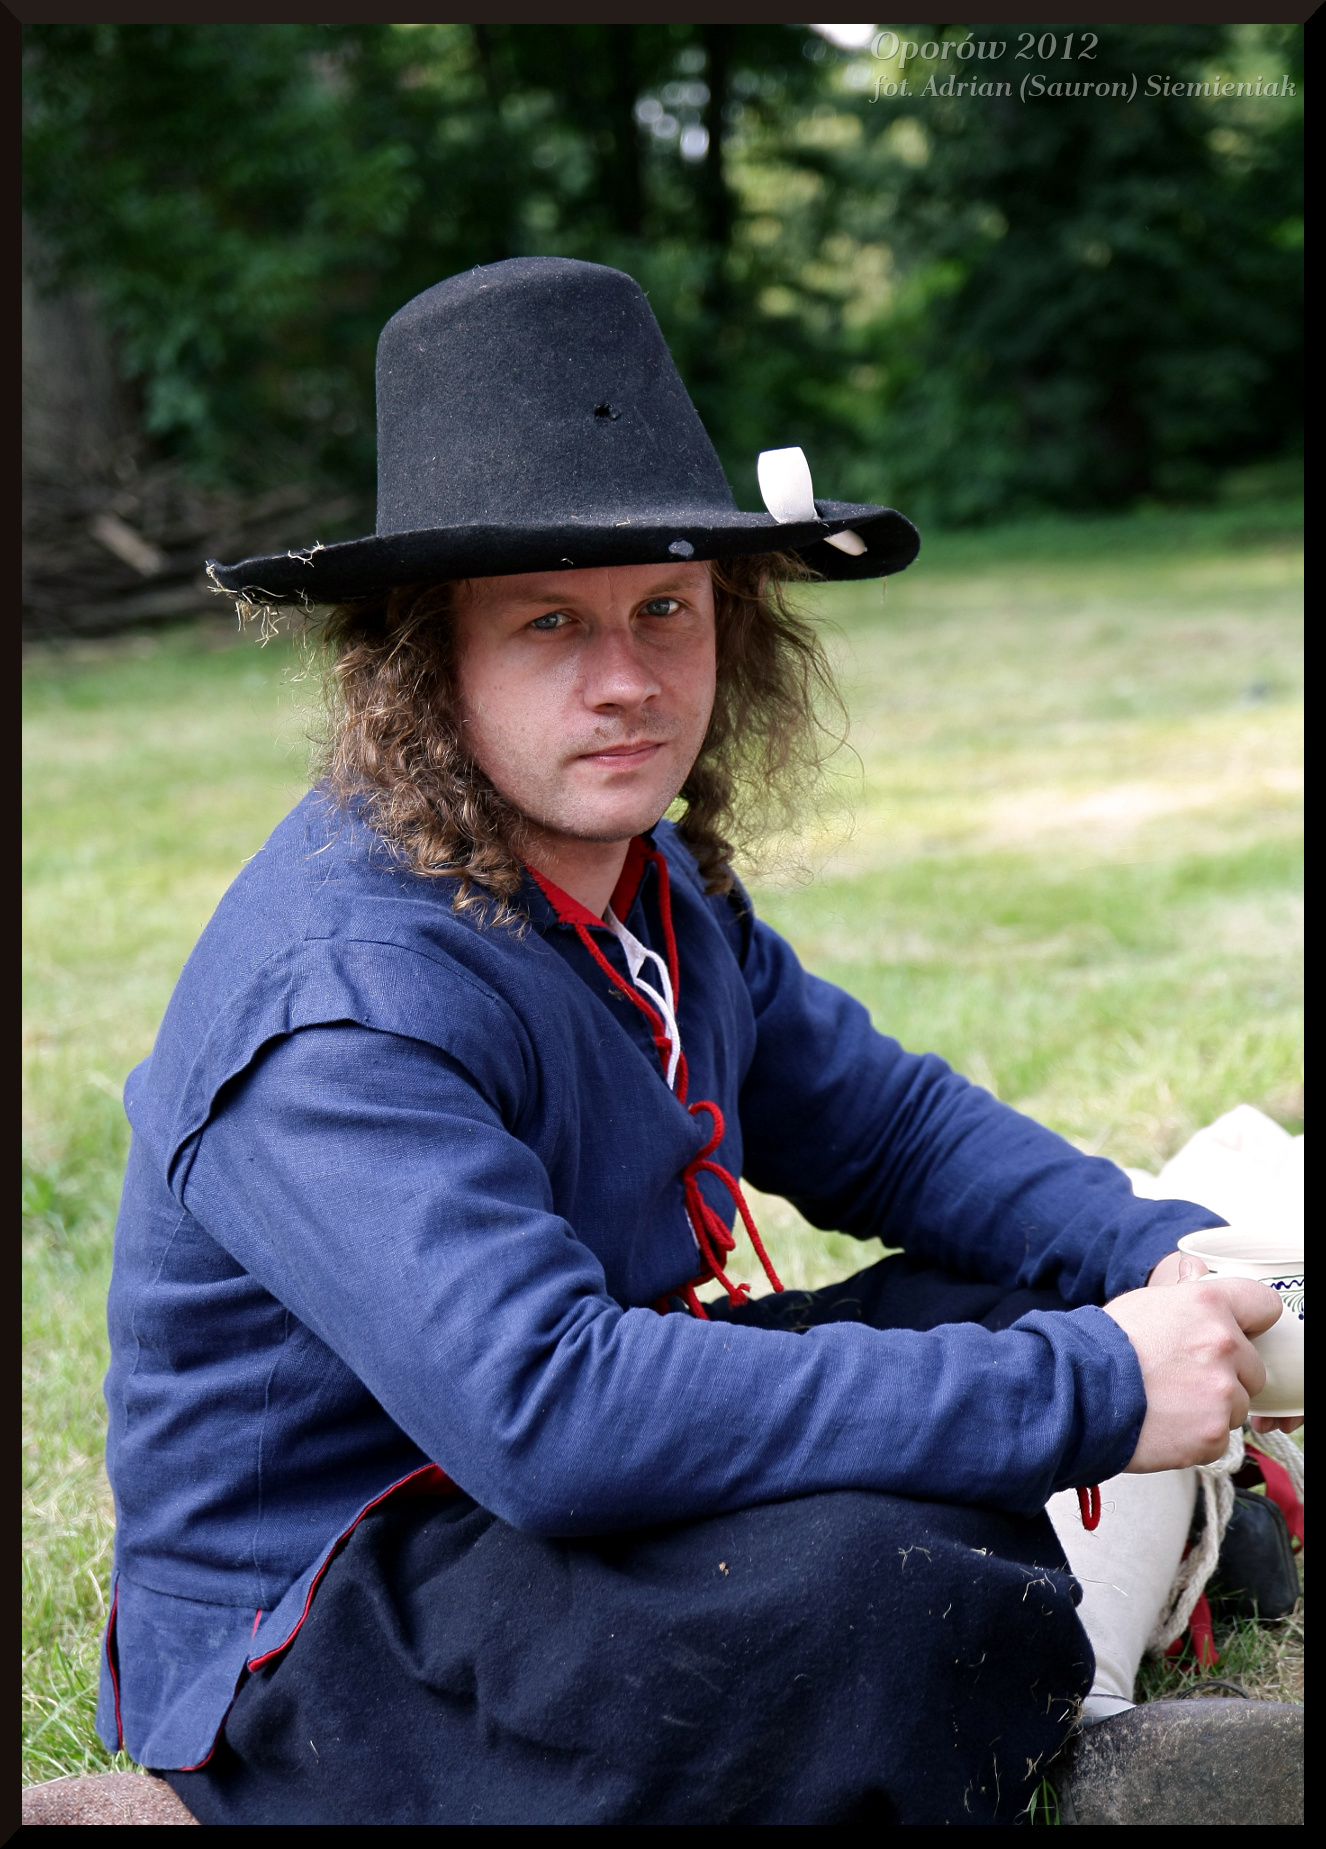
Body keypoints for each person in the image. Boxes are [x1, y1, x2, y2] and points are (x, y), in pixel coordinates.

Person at [95, 258, 1295, 1826]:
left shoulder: (645, 884)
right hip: (336, 1623)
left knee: (1029, 1299)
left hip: (571, 1499)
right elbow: (549, 1413)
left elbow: (892, 1134)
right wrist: (1086, 1385)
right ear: (426, 659)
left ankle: (1108, 1588)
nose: (626, 679)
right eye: (549, 621)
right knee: (863, 1576)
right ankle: (1084, 1735)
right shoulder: (338, 997)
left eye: (664, 608)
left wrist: (1171, 1255)